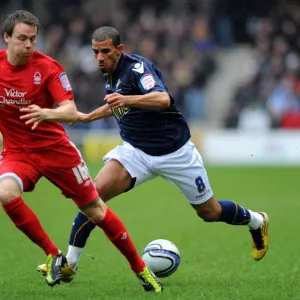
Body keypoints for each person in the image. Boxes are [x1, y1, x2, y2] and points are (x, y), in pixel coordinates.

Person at [38, 26, 269, 281]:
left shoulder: (137, 68)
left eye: (105, 51)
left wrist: (127, 100)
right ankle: (70, 263)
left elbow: (162, 99)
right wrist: (88, 117)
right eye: (95, 52)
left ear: (119, 49)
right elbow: (116, 103)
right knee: (92, 196)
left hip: (176, 153)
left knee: (210, 212)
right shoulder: (109, 73)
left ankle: (257, 221)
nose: (99, 57)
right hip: (136, 152)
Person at [0, 11, 162, 292]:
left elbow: (70, 110)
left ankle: (141, 269)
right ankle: (53, 254)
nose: (28, 45)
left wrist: (46, 113)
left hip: (56, 152)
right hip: (18, 153)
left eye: (33, 39)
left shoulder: (48, 67)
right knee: (4, 192)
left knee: (96, 211)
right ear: (7, 38)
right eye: (22, 39)